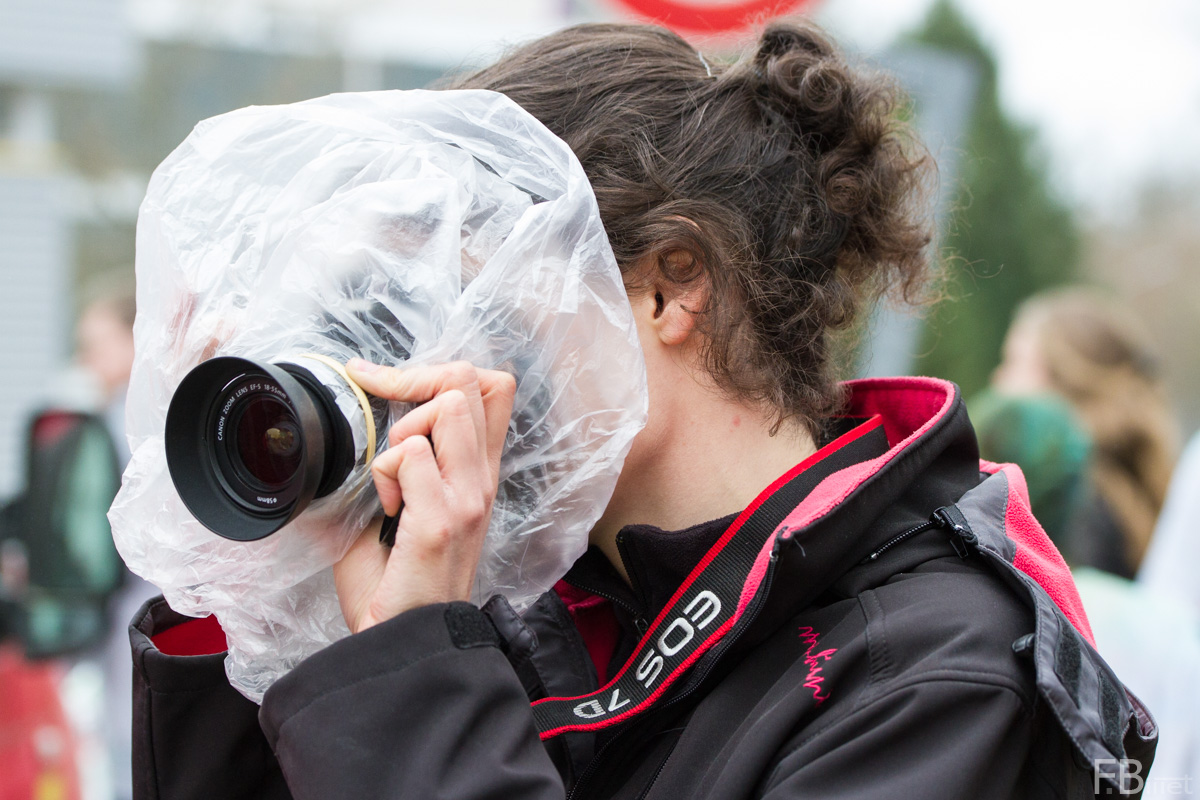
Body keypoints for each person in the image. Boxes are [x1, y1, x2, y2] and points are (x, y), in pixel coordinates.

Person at [127, 21, 1155, 800]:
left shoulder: (935, 676)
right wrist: (279, 602)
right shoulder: (539, 603)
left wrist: (412, 677)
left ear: (670, 286)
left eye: (476, 287)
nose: (433, 345)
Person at [991, 288, 1178, 579]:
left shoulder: (1064, 508)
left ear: (1063, 382)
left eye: (1013, 362)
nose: (998, 379)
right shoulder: (1132, 504)